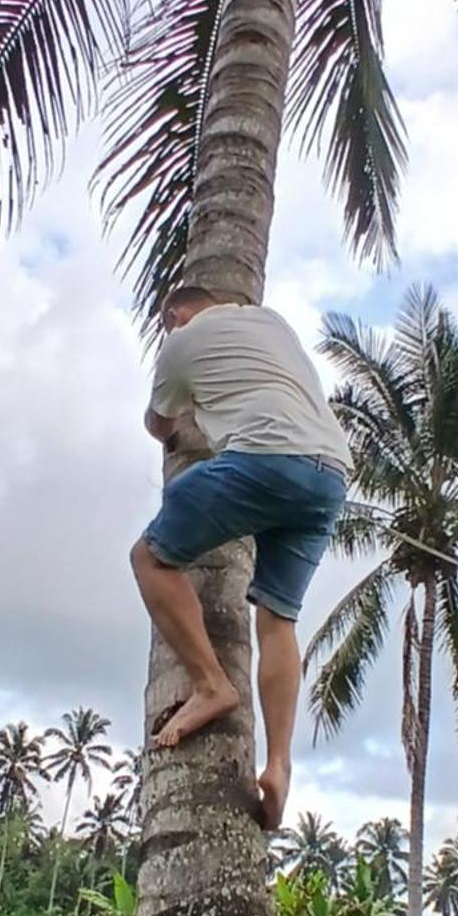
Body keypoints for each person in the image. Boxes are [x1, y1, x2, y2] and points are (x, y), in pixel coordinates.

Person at [130, 286, 350, 833]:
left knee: (150, 559)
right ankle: (278, 762)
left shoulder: (179, 343)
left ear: (176, 314)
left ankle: (211, 685)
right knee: (277, 618)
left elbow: (160, 425)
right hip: (330, 472)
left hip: (265, 459)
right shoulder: (273, 323)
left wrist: (183, 420)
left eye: (169, 320)